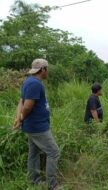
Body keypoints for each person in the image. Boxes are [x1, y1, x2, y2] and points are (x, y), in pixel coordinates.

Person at [13, 59, 60, 190]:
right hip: (38, 127)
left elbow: (21, 101)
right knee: (54, 152)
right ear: (43, 69)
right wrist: (21, 117)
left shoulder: (28, 81)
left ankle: (33, 181)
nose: (48, 71)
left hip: (32, 126)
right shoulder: (35, 84)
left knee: (33, 153)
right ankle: (52, 185)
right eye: (47, 69)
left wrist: (18, 119)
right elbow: (27, 106)